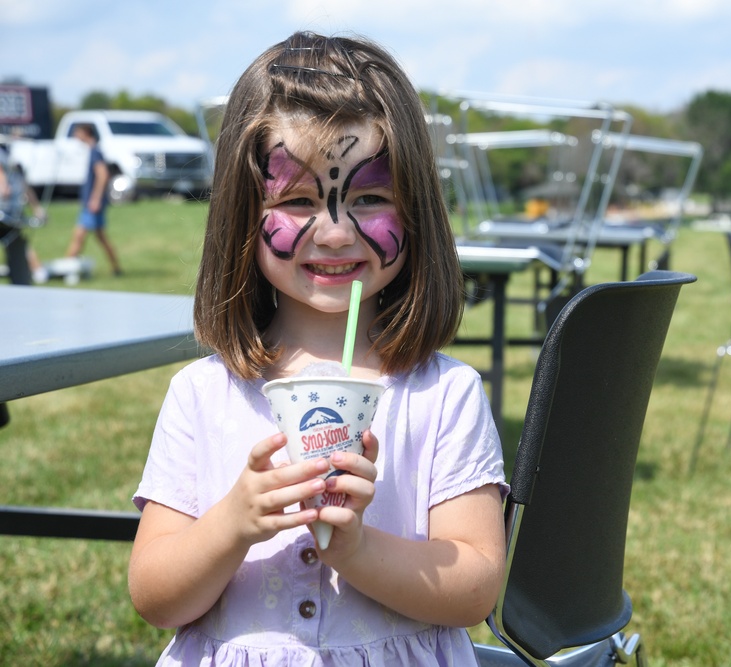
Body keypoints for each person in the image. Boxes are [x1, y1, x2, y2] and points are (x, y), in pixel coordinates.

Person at [128, 32, 507, 666]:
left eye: (369, 198)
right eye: (298, 200)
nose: (335, 231)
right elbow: (154, 595)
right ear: (243, 217)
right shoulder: (202, 395)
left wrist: (357, 550)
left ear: (416, 210)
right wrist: (233, 523)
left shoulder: (443, 395)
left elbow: (474, 588)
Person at [64, 122, 122, 275]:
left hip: (92, 204)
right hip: (92, 203)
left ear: (85, 132)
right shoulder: (93, 150)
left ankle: (65, 269)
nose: (75, 136)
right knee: (100, 237)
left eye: (77, 132)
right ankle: (116, 268)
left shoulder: (95, 151)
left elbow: (103, 175)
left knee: (79, 236)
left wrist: (95, 198)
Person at [0, 144, 47, 284]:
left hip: (8, 213)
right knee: (17, 244)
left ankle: (34, 273)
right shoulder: (8, 158)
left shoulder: (6, 158)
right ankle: (33, 274)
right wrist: (37, 208)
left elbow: (13, 185)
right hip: (10, 212)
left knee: (17, 244)